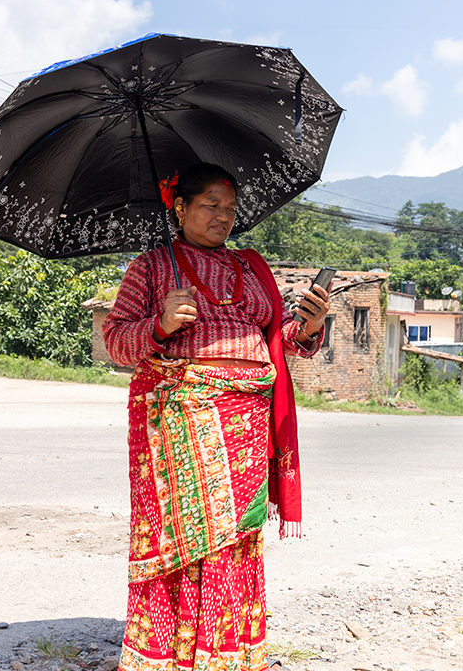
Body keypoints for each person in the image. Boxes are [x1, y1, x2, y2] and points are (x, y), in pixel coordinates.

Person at [102, 163, 331, 671]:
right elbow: (116, 341)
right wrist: (159, 324)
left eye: (229, 209)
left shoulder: (251, 268)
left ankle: (229, 653)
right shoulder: (152, 268)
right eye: (211, 205)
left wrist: (310, 325)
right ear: (179, 207)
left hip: (248, 423)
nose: (224, 217)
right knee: (184, 537)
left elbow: (281, 339)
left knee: (233, 537)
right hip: (181, 419)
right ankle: (171, 654)